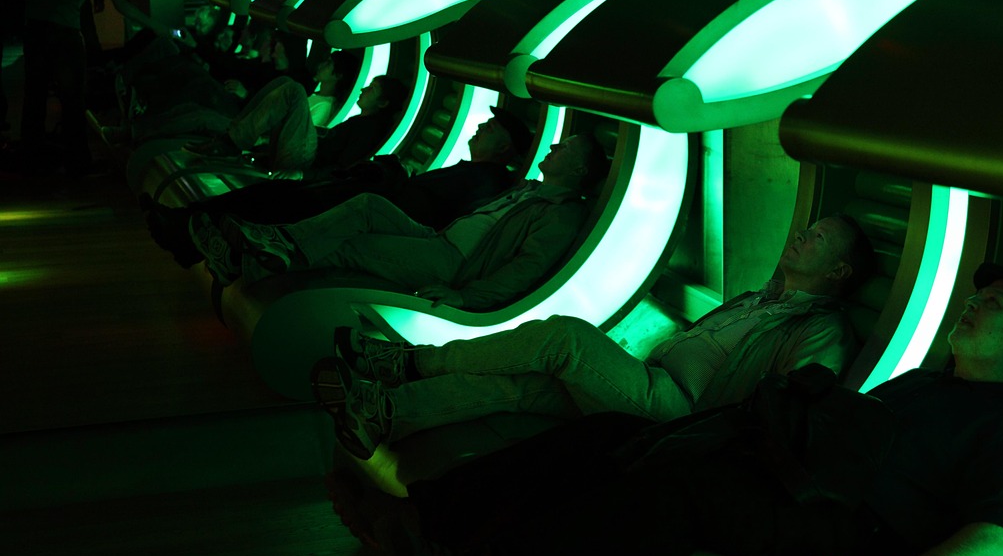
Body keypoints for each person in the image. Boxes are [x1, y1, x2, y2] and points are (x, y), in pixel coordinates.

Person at [376, 262, 1003, 556]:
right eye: (976, 294)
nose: (971, 303)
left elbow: (999, 537)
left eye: (993, 302)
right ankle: (431, 517)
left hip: (851, 522)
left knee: (683, 490)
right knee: (609, 434)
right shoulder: (923, 384)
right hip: (802, 475)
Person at [316, 214, 872, 486]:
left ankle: (409, 362)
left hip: (684, 415)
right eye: (806, 230)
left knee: (566, 337)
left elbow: (792, 408)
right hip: (649, 381)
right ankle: (384, 412)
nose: (800, 237)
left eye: (817, 239)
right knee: (524, 385)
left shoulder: (823, 328)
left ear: (839, 271)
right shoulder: (760, 298)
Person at [189, 131, 607, 302]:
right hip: (438, 239)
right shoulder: (528, 191)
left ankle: (245, 261)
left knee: (352, 245)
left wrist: (467, 296)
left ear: (579, 169)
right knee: (366, 204)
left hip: (455, 263)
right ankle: (272, 244)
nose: (554, 148)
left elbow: (527, 269)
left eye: (566, 148)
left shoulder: (562, 213)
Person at [142, 106, 533, 268]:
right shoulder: (472, 172)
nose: (479, 127)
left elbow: (450, 220)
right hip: (377, 201)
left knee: (277, 200)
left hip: (382, 213)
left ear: (504, 148)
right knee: (275, 197)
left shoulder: (489, 180)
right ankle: (187, 225)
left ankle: (187, 230)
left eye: (490, 128)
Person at [20, 0, 168, 174]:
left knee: (34, 94)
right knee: (73, 98)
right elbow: (121, 5)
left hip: (34, 27)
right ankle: (78, 162)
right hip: (64, 30)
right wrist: (159, 27)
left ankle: (31, 159)